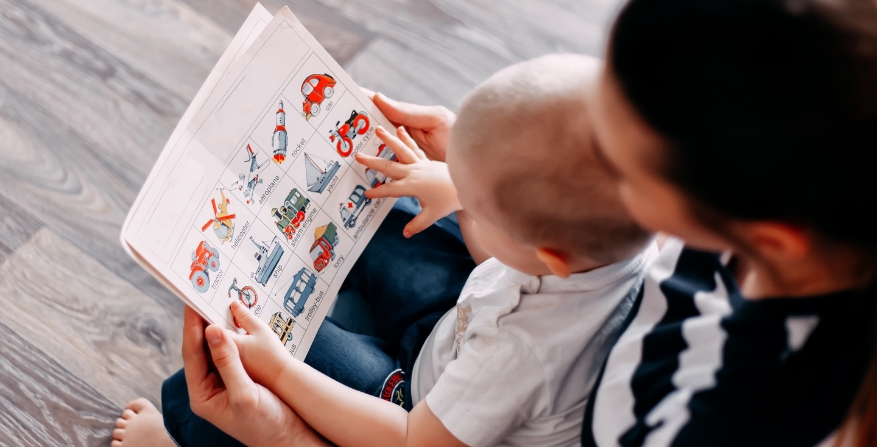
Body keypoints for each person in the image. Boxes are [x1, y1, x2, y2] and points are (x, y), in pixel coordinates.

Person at [114, 0, 877, 444]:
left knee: (213, 390)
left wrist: (281, 419)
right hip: (510, 312)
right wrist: (480, 170)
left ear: (766, 233)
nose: (592, 129)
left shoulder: (709, 415)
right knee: (387, 195)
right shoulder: (699, 216)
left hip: (456, 404)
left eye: (617, 144)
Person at [112, 53, 656, 446]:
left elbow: (411, 439)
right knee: (397, 200)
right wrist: (460, 191)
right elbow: (506, 264)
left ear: (551, 255)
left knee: (238, 349)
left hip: (416, 407)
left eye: (479, 201)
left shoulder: (523, 357)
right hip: (462, 324)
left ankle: (177, 438)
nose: (459, 189)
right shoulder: (617, 238)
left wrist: (279, 372)